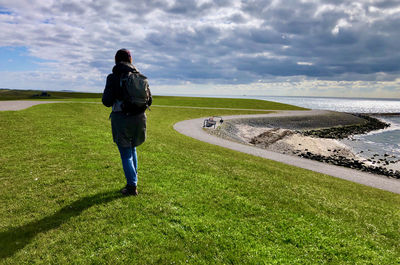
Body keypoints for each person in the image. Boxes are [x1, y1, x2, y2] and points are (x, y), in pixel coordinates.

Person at [102, 49, 152, 196]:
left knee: (125, 154)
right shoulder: (140, 76)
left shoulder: (113, 77)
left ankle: (131, 186)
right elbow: (150, 100)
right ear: (131, 60)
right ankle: (133, 181)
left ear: (116, 60)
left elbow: (106, 101)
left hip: (121, 118)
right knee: (133, 149)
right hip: (139, 118)